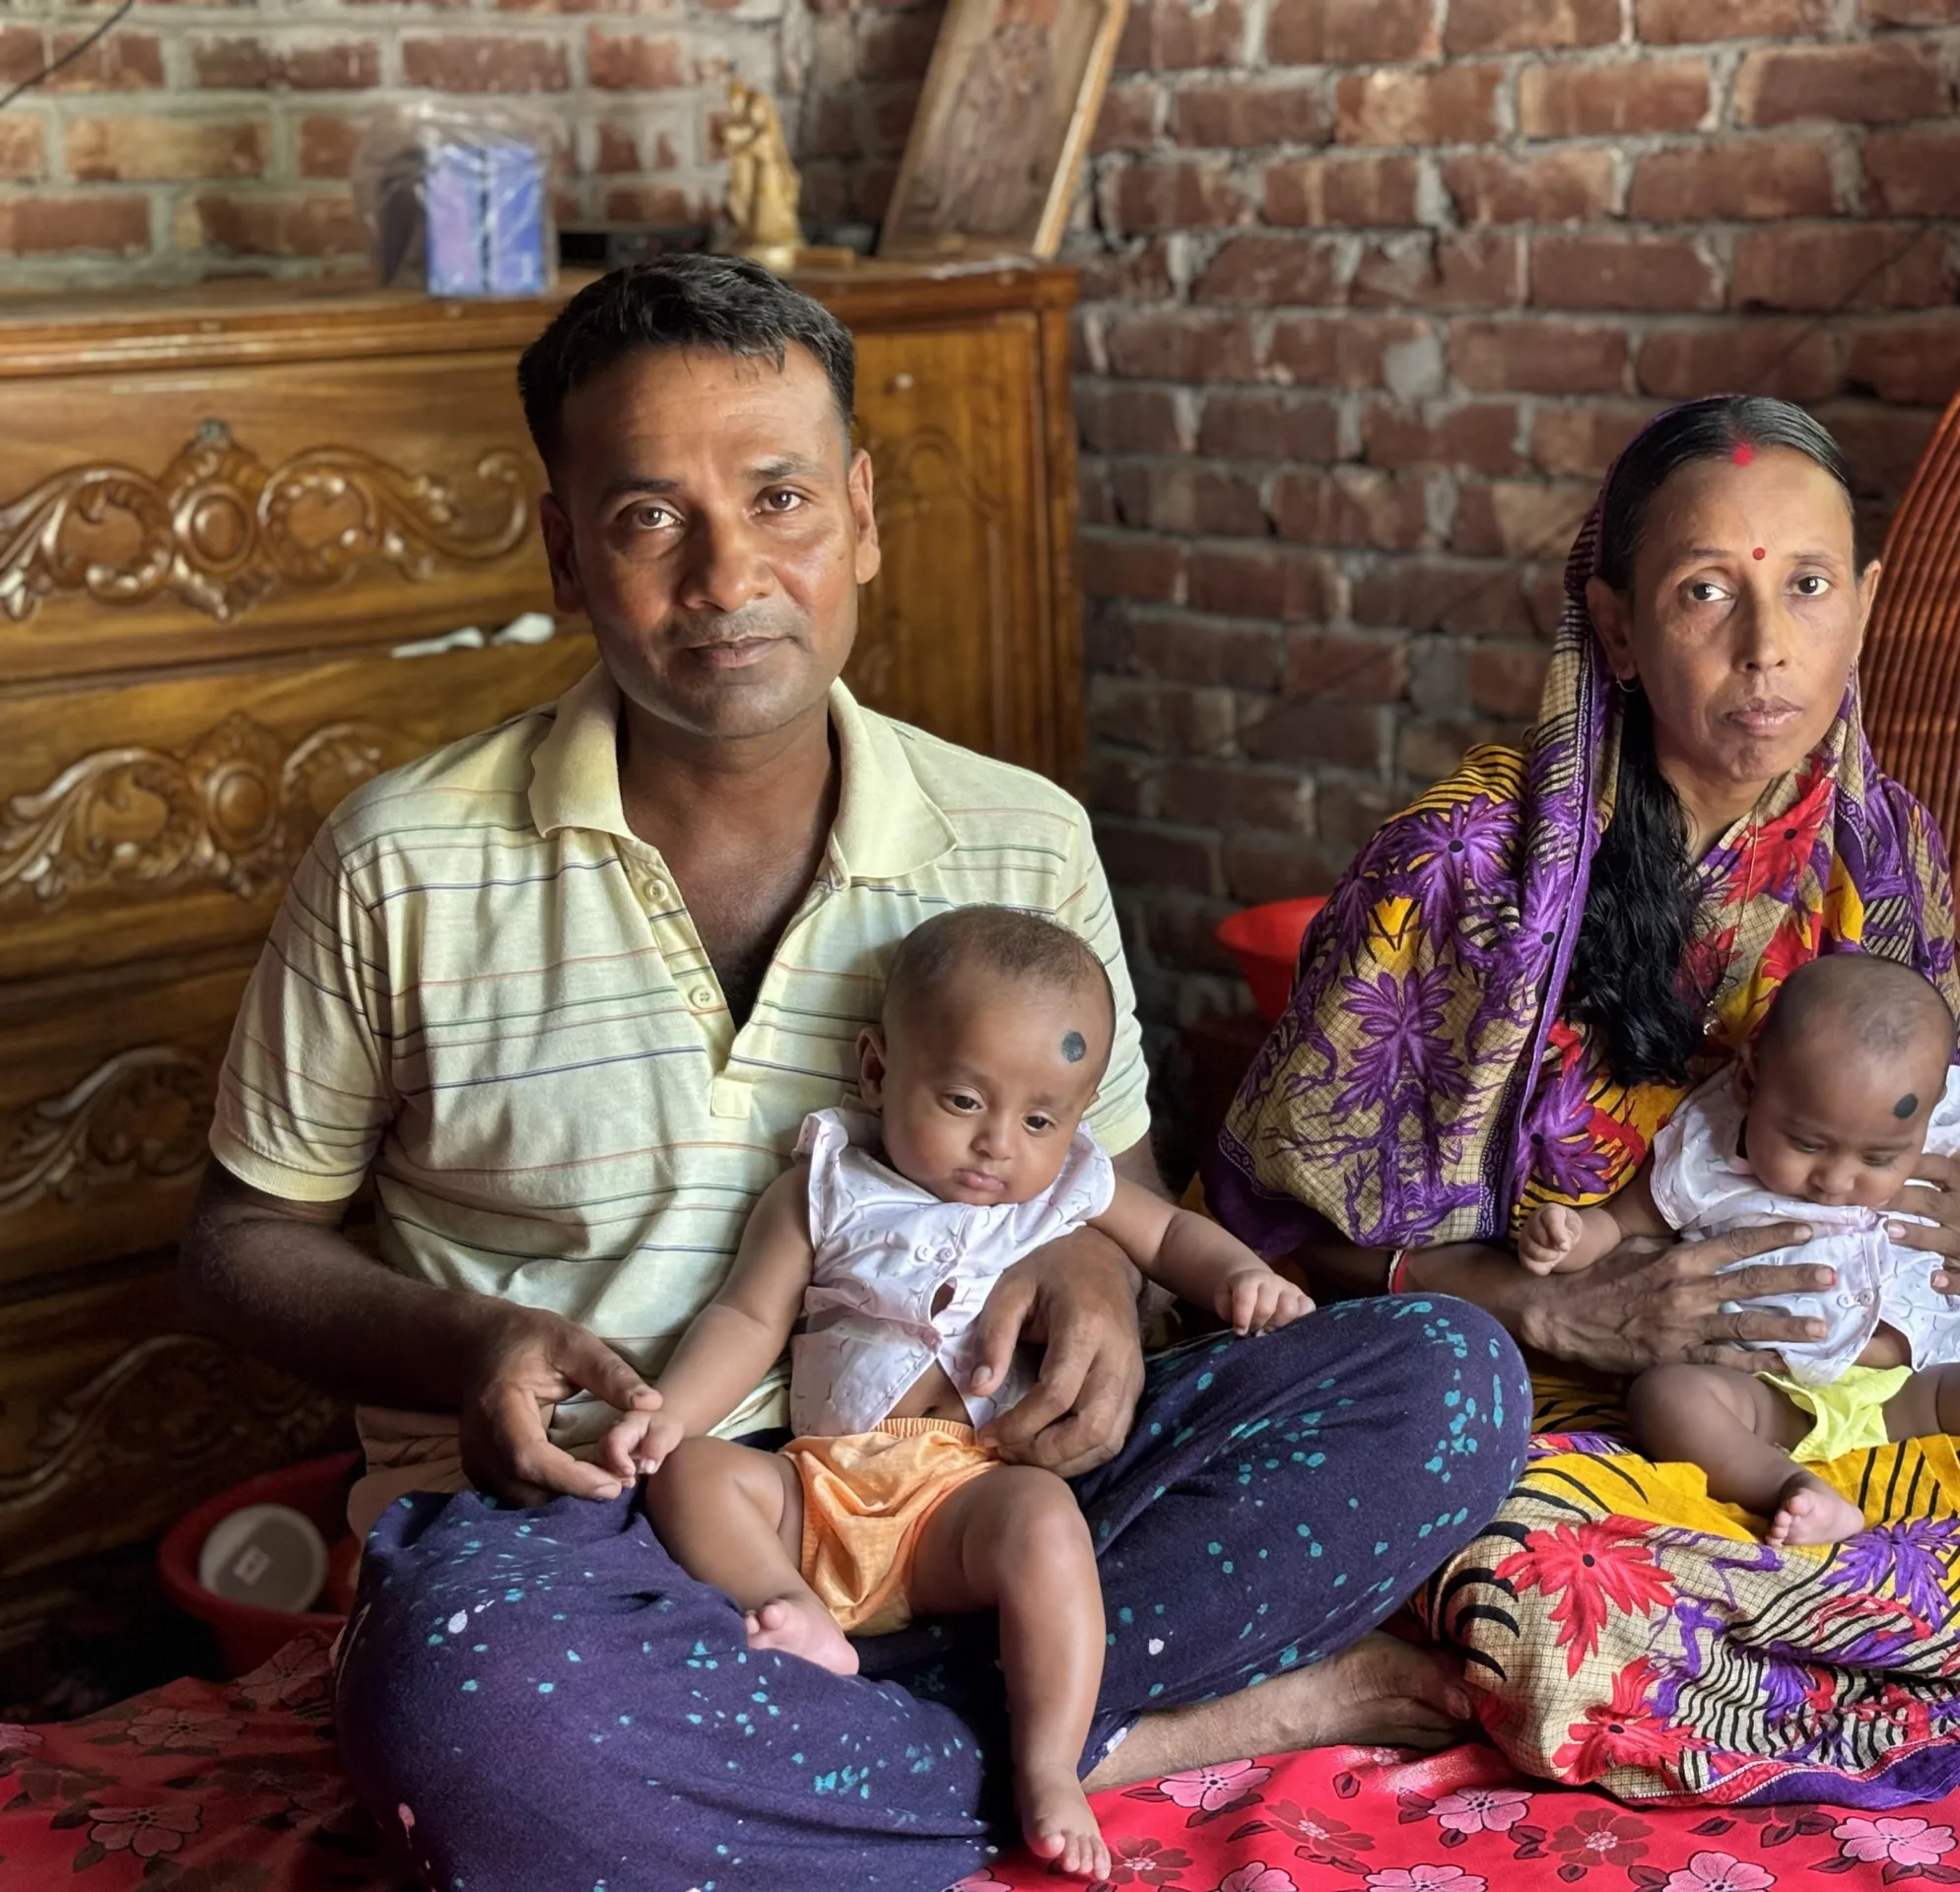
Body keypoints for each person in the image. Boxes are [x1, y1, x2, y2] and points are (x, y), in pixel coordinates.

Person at [178, 254, 1529, 1892]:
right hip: (606, 1527)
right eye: (647, 517)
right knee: (470, 1716)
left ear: (865, 517)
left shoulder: (1018, 834)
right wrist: (464, 1340)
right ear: (561, 552)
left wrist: (1100, 1290)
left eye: (779, 498)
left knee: (1444, 1382)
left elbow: (1111, 1195)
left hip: (967, 1488)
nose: (729, 573)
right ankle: (1122, 1731)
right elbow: (241, 1241)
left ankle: (855, 1749)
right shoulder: (402, 860)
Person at [1208, 395, 1960, 1804]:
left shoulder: (1883, 849)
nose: (1767, 648)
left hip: (1892, 1384)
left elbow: (1947, 1125)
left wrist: (1943, 1196)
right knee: (1549, 1588)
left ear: (1864, 608)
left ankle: (1905, 1595)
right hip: (1600, 1413)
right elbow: (1274, 1254)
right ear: (1622, 628)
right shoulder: (1458, 869)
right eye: (1708, 592)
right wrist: (1547, 1304)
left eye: (1807, 588)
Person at [610, 906, 1312, 1880]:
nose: (996, 1145)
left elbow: (1167, 1240)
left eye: (1037, 1118)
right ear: (875, 1071)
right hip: (819, 1491)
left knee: (1045, 1520)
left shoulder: (1067, 1185)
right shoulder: (826, 1184)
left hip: (965, 1499)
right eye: (961, 1101)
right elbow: (744, 1319)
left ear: (1074, 1119)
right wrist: (669, 1413)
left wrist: (1241, 1278)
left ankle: (1049, 1764)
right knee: (692, 1475)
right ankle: (787, 1613)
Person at [1520, 953, 1960, 1590]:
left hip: (1908, 1389)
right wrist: (1571, 1237)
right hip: (1768, 1394)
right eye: (1806, 1143)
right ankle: (1789, 1490)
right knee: (1667, 1396)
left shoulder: (1938, 1120)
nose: (1836, 1180)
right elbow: (1627, 1219)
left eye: (1879, 1157)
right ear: (1752, 1081)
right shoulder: (1708, 1148)